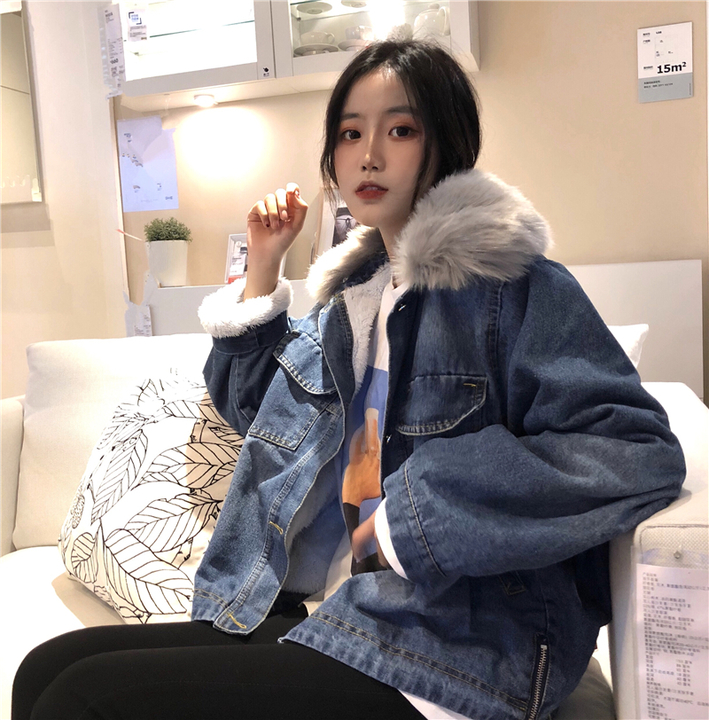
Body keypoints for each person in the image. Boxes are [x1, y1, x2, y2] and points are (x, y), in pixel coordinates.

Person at [13, 38, 685, 720]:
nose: (368, 155)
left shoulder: (511, 287)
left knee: (81, 698)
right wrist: (263, 267)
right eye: (350, 133)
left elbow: (632, 450)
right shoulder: (352, 305)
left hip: (448, 638)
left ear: (447, 143)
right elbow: (252, 414)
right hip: (333, 612)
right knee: (45, 669)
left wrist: (415, 516)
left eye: (400, 130)